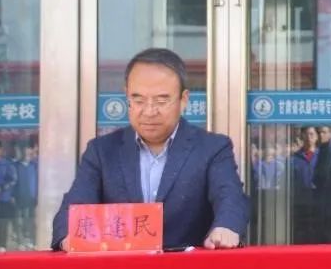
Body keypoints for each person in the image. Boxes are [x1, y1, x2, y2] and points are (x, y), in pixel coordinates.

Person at [51, 48, 249, 250]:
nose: (149, 111)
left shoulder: (212, 148)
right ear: (127, 97)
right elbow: (73, 209)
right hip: (121, 267)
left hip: (187, 267)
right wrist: (69, 236)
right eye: (138, 100)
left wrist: (226, 227)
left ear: (183, 100)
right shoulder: (101, 152)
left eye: (161, 101)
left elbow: (230, 197)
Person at [0, 139, 17, 250]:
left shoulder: (7, 164)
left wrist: (2, 187)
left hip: (3, 198)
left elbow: (13, 179)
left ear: (0, 149)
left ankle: (2, 245)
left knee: (3, 223)